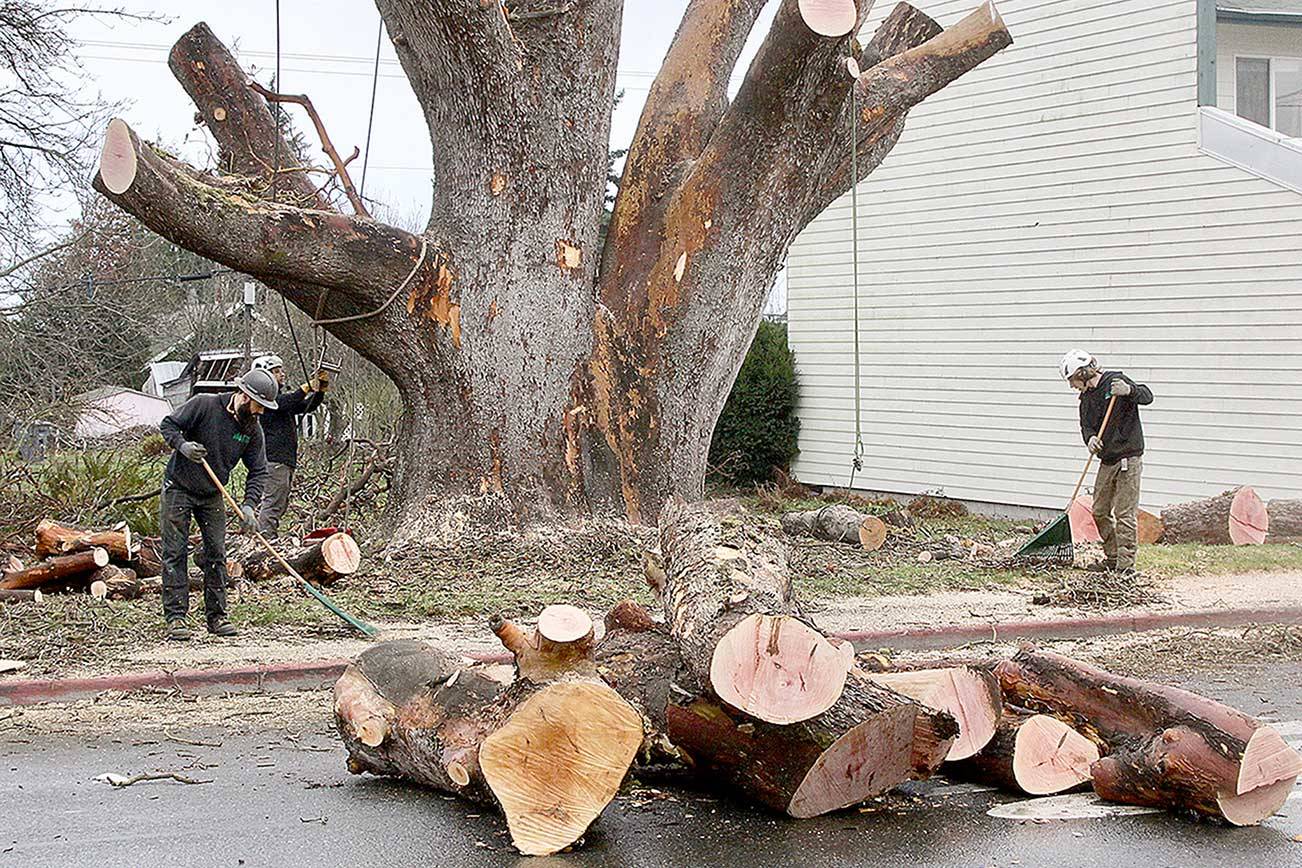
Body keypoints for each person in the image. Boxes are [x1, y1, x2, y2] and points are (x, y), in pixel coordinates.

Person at [157, 370, 277, 640]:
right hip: (179, 487)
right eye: (259, 406)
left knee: (217, 554)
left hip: (212, 494)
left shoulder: (252, 429)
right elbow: (168, 425)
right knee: (175, 552)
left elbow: (258, 470)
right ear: (245, 396)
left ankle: (217, 617)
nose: (260, 413)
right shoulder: (204, 404)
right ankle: (176, 618)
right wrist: (183, 446)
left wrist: (249, 505)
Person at [1060, 349, 1154, 576]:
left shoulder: (1116, 381)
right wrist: (1090, 439)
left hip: (1128, 458)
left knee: (1124, 513)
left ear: (1082, 373)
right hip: (1108, 460)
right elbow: (1087, 426)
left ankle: (1126, 566)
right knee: (1100, 510)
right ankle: (1112, 557)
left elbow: (1147, 396)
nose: (1072, 386)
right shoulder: (1086, 399)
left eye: (1072, 380)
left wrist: (1129, 390)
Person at [250, 354, 330, 537]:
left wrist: (320, 390)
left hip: (284, 460)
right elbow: (288, 401)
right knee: (273, 503)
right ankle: (266, 539)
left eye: (280, 371)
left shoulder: (279, 402)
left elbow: (307, 406)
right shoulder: (266, 402)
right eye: (276, 371)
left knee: (280, 502)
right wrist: (307, 386)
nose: (282, 375)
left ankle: (267, 536)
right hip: (274, 460)